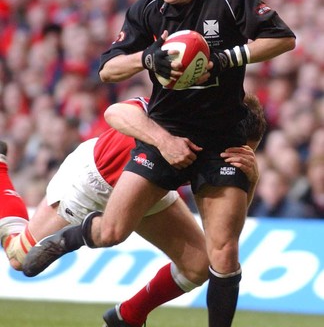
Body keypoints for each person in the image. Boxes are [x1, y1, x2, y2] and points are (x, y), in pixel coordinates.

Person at [24, 0, 295, 326]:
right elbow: (107, 69)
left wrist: (225, 59)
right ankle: (70, 239)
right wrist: (147, 58)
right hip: (162, 133)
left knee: (222, 255)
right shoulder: (147, 8)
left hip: (221, 140)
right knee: (112, 231)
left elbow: (282, 39)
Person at [2, 94, 265, 327]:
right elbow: (116, 111)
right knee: (19, 258)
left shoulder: (220, 156)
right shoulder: (179, 116)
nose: (232, 161)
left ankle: (127, 317)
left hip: (150, 189)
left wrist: (249, 180)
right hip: (94, 183)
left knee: (198, 264)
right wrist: (163, 140)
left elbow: (225, 232)